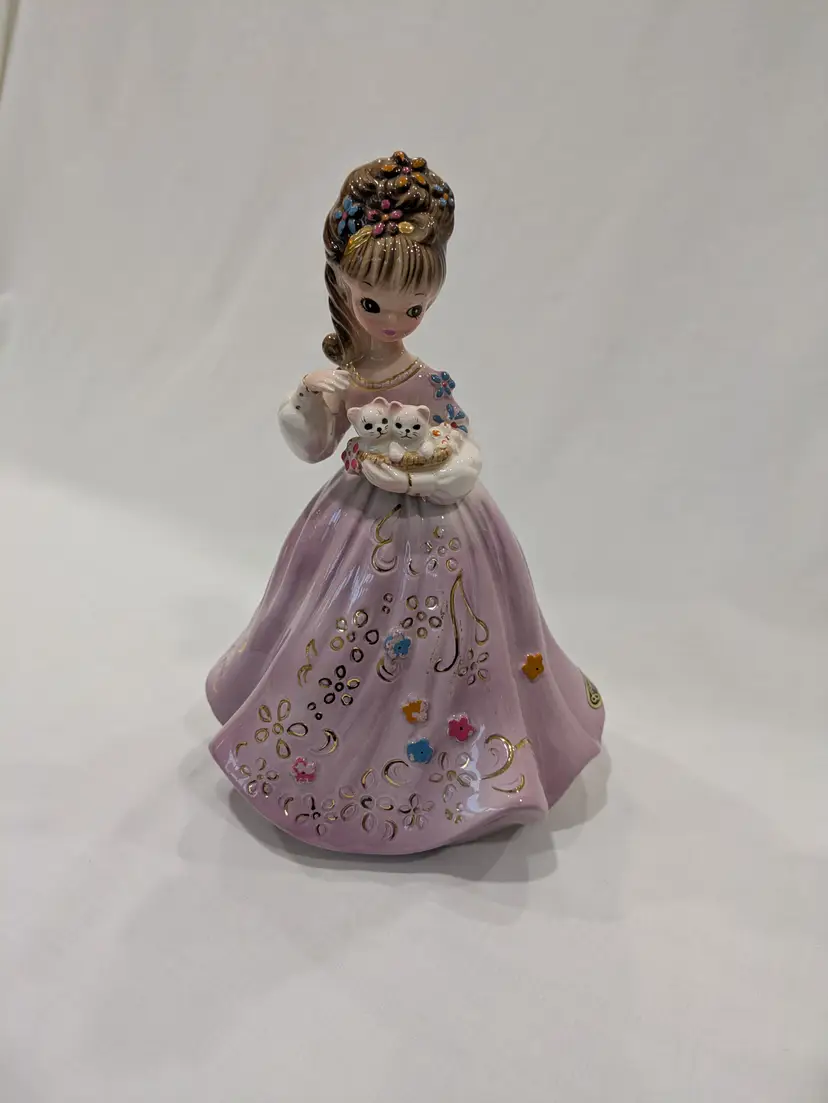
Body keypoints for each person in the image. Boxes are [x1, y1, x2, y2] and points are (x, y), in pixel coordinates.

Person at [206, 151, 605, 854]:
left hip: (442, 525)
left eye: (414, 308)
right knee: (338, 629)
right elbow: (313, 447)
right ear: (343, 285)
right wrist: (310, 399)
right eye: (375, 304)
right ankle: (331, 754)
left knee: (454, 638)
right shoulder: (341, 375)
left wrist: (435, 465)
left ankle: (459, 761)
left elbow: (458, 438)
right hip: (357, 524)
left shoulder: (426, 379)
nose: (395, 321)